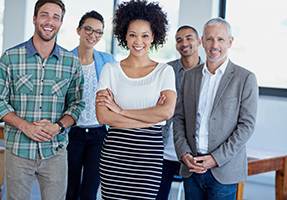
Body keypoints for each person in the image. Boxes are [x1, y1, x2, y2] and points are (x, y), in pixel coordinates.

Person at [0, 0, 85, 199]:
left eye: (56, 17)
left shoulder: (72, 63)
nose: (50, 21)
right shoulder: (10, 58)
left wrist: (58, 126)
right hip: (18, 149)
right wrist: (26, 126)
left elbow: (77, 104)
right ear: (34, 19)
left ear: (60, 23)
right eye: (44, 15)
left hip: (55, 150)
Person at [95, 0, 177, 199]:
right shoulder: (110, 70)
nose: (138, 41)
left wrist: (120, 111)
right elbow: (103, 117)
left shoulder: (164, 72)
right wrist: (150, 118)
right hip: (115, 156)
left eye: (145, 35)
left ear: (153, 37)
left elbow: (166, 112)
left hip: (148, 158)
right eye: (132, 35)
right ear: (125, 35)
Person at [173, 17, 258, 200]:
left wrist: (216, 158)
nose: (214, 44)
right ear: (202, 42)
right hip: (192, 168)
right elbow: (179, 118)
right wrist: (183, 153)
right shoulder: (189, 76)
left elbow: (246, 126)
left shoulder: (245, 78)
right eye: (209, 39)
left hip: (223, 172)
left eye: (220, 39)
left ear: (230, 42)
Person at [66, 10, 116, 200]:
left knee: (90, 191)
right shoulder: (66, 59)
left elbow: (117, 93)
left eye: (98, 32)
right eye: (88, 29)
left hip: (99, 134)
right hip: (73, 133)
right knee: (69, 190)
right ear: (79, 30)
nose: (93, 35)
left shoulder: (108, 61)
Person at [156, 25, 203, 200]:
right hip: (163, 150)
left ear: (199, 42)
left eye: (189, 38)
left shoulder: (208, 73)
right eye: (179, 40)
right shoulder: (166, 71)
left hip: (193, 153)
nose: (184, 43)